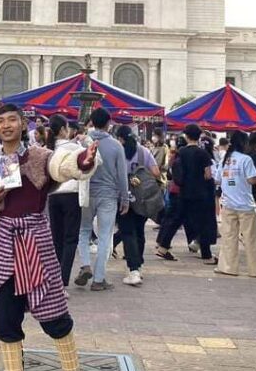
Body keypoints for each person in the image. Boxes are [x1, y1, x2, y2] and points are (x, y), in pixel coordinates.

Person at [0, 104, 97, 371]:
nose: (7, 125)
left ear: (23, 124)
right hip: (5, 245)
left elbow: (63, 166)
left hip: (36, 241)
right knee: (6, 318)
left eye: (13, 120)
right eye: (0, 121)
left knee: (55, 316)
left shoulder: (38, 156)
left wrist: (82, 160)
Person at [74, 108, 127, 291]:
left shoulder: (83, 143)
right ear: (108, 123)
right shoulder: (116, 146)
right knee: (105, 235)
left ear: (91, 122)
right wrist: (125, 199)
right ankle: (99, 278)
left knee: (84, 230)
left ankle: (85, 264)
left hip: (87, 192)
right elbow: (122, 176)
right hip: (109, 195)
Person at [114, 125, 160, 287]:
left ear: (120, 138)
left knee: (127, 232)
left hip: (122, 196)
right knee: (139, 230)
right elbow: (155, 173)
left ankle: (133, 268)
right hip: (142, 197)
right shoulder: (143, 152)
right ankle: (138, 264)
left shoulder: (117, 151)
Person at [215, 131, 256, 278]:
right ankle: (255, 270)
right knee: (252, 239)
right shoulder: (246, 159)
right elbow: (252, 180)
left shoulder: (225, 158)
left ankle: (228, 267)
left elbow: (217, 179)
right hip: (246, 205)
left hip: (228, 203)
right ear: (245, 143)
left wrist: (231, 182)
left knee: (229, 237)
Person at [46, 116, 83, 287]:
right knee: (70, 239)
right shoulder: (75, 148)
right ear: (62, 130)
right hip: (71, 195)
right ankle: (63, 280)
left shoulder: (47, 149)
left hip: (53, 196)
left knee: (56, 238)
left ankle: (54, 278)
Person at [178, 125, 217, 265]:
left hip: (185, 191)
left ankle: (193, 241)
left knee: (189, 220)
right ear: (199, 136)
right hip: (201, 193)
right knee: (204, 222)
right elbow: (208, 174)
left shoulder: (181, 152)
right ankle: (206, 253)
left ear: (186, 136)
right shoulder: (203, 153)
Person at [155, 136, 186, 261]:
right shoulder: (181, 158)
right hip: (181, 191)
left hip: (173, 189)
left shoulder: (174, 157)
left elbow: (169, 172)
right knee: (175, 219)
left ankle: (161, 242)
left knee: (170, 218)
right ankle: (163, 245)